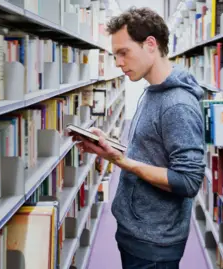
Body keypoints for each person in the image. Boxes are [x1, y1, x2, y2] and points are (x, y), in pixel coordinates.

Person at [70, 6, 206, 269]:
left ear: (150, 44)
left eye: (124, 52)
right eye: (115, 55)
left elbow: (188, 181)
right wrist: (108, 148)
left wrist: (121, 160)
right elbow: (151, 151)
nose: (118, 62)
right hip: (137, 230)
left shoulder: (178, 105)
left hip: (154, 244)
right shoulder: (153, 90)